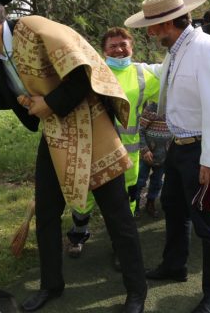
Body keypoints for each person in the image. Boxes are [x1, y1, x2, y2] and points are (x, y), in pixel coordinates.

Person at [0, 0, 147, 313]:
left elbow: (82, 71)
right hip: (54, 136)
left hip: (92, 130)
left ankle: (136, 292)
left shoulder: (34, 29)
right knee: (46, 214)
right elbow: (9, 97)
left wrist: (50, 103)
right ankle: (51, 285)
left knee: (116, 214)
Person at [125, 0, 210, 313]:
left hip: (199, 152)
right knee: (174, 208)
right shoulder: (179, 50)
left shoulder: (206, 49)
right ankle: (174, 264)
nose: (149, 33)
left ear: (166, 24)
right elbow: (158, 76)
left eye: (151, 27)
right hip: (179, 148)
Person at [67, 27, 160, 258]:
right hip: (93, 150)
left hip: (128, 154)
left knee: (126, 201)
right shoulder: (91, 73)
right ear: (103, 50)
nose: (119, 50)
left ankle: (121, 246)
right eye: (113, 46)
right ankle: (78, 235)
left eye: (123, 45)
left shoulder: (144, 75)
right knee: (84, 196)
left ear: (132, 46)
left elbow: (170, 95)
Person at [135, 101, 172, 218]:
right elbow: (140, 130)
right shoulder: (151, 108)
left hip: (163, 156)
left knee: (157, 182)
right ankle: (134, 204)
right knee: (140, 180)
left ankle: (150, 203)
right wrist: (145, 149)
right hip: (147, 154)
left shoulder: (174, 109)